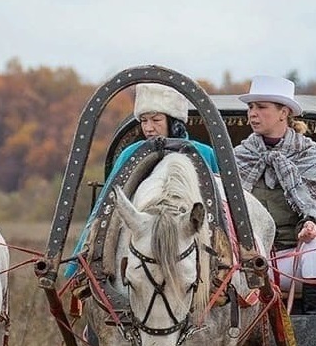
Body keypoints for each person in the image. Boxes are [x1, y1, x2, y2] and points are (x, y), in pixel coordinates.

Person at [64, 83, 217, 280]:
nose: (149, 127)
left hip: (190, 239)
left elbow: (219, 209)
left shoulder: (203, 154)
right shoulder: (131, 153)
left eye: (156, 120)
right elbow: (106, 204)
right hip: (140, 237)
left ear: (174, 122)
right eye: (144, 121)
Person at [233, 75, 316, 314]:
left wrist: (312, 225)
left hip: (291, 258)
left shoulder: (311, 155)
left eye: (261, 107)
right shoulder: (239, 156)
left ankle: (315, 332)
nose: (252, 113)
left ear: (284, 112)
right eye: (251, 107)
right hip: (246, 261)